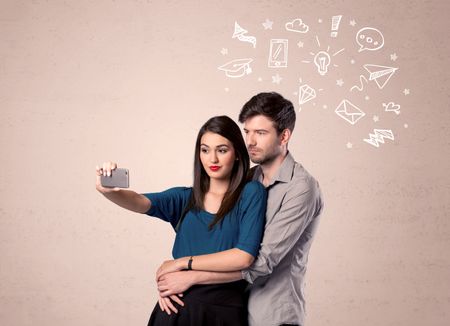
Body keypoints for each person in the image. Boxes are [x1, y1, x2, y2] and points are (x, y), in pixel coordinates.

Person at [156, 92, 324, 326]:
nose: (251, 141)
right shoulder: (248, 180)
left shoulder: (301, 188)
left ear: (284, 136)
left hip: (272, 315)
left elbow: (261, 262)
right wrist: (174, 283)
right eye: (247, 132)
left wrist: (188, 273)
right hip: (235, 311)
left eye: (261, 133)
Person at [95, 115, 267, 326]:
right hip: (173, 313)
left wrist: (182, 264)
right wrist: (109, 191)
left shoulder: (250, 193)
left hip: (222, 314)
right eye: (205, 150)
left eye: (222, 150)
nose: (212, 159)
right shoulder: (185, 198)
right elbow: (139, 201)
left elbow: (244, 258)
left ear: (238, 154)